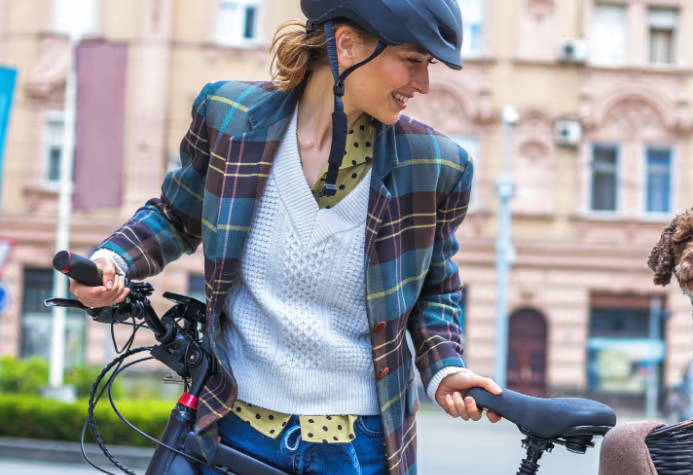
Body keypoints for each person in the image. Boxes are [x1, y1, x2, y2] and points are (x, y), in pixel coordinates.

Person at [68, 1, 500, 473]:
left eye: (428, 66)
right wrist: (115, 259)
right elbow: (176, 216)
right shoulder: (230, 118)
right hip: (231, 428)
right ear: (347, 43)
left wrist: (444, 367)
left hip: (361, 446)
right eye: (413, 61)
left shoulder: (437, 165)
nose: (423, 84)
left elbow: (436, 291)